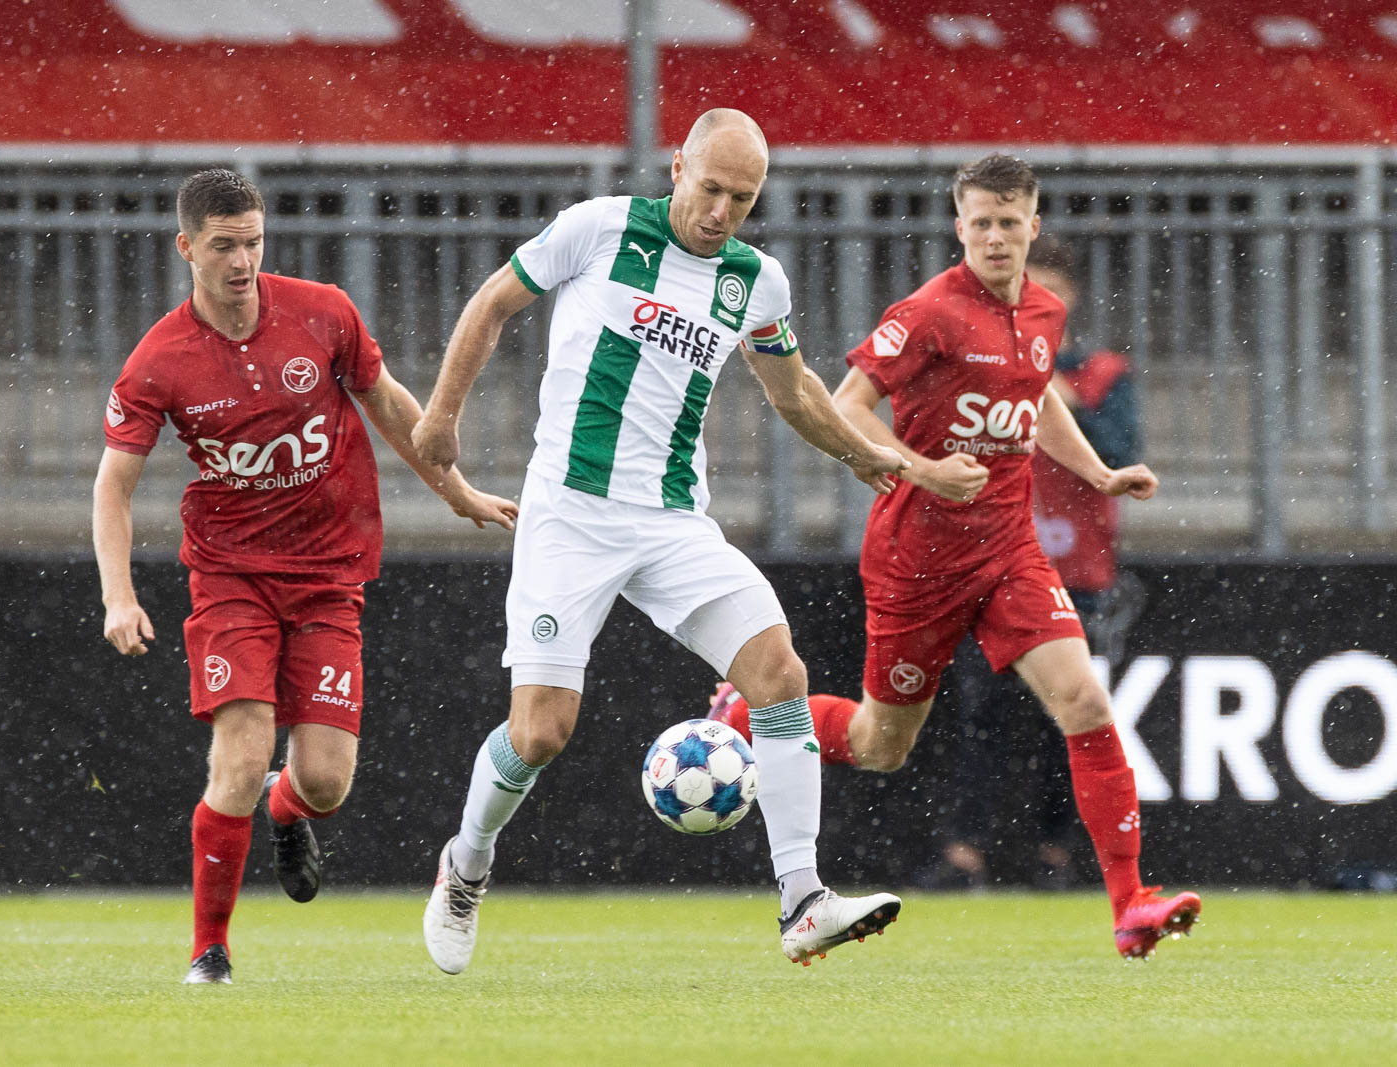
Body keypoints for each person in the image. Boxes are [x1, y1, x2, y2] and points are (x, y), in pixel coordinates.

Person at [410, 108, 910, 974]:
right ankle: (466, 863)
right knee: (540, 733)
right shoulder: (600, 228)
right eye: (710, 187)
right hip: (569, 512)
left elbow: (793, 393)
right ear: (677, 166)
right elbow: (494, 303)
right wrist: (442, 415)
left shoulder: (756, 280)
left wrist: (860, 452)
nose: (720, 211)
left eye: (742, 198)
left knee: (780, 674)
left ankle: (803, 899)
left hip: (674, 520)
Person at [710, 154, 1200, 958]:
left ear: (1032, 226)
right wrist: (921, 467)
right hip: (916, 560)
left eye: (1011, 223)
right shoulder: (930, 312)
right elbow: (847, 407)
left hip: (1010, 551)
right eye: (982, 223)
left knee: (1083, 701)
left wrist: (1099, 473)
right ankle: (741, 712)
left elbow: (1035, 396)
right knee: (879, 744)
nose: (997, 237)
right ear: (959, 227)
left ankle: (1130, 904)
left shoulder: (1042, 312)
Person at [92, 168, 517, 985]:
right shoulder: (159, 361)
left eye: (252, 241)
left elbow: (393, 405)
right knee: (241, 757)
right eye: (223, 245)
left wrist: (456, 491)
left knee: (323, 782)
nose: (242, 260)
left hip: (328, 574)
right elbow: (113, 484)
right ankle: (208, 950)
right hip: (231, 578)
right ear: (187, 248)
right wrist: (119, 594)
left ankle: (287, 812)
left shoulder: (323, 312)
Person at [919, 234, 1146, 891]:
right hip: (992, 567)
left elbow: (1123, 452)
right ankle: (965, 854)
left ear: (1068, 298)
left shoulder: (1103, 375)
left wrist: (1059, 399)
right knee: (980, 716)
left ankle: (1059, 853)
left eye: (1043, 288)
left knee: (1068, 719)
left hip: (1078, 574)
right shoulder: (982, 366)